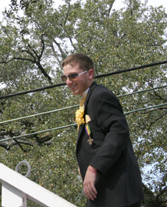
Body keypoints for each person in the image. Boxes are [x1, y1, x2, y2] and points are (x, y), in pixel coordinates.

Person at [61, 53, 144, 207]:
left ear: (90, 74)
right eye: (64, 77)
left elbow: (119, 133)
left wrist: (93, 168)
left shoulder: (100, 96)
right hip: (102, 192)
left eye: (73, 76)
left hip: (117, 193)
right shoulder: (88, 100)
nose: (68, 82)